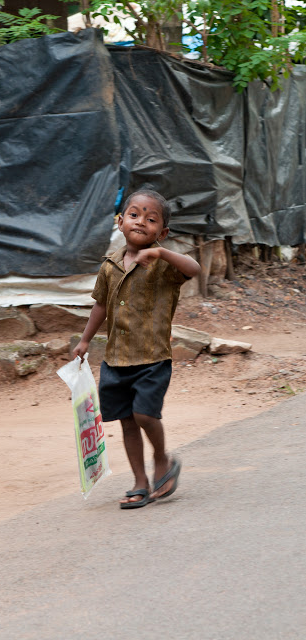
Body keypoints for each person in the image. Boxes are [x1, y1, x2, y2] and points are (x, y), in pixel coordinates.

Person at [73, 189, 201, 509]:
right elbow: (101, 306)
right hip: (116, 359)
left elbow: (194, 268)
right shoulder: (109, 266)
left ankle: (161, 459)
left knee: (145, 413)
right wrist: (85, 340)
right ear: (120, 222)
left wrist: (161, 254)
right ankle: (140, 482)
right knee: (127, 421)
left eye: (151, 218)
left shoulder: (165, 264)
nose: (141, 221)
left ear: (163, 232)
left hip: (152, 357)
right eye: (134, 214)